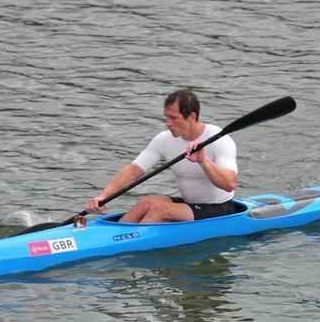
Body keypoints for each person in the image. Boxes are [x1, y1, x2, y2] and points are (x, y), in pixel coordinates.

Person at [82, 89, 242, 224]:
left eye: (173, 118)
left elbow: (229, 184)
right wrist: (103, 196)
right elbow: (133, 170)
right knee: (146, 202)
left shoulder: (219, 140)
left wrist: (203, 161)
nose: (168, 123)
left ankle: (129, 248)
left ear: (192, 117)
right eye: (166, 117)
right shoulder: (164, 139)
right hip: (191, 205)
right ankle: (112, 237)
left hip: (220, 209)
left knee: (159, 209)